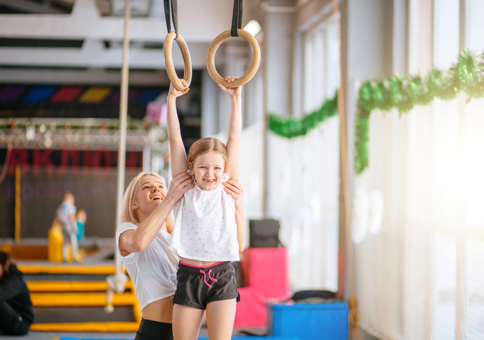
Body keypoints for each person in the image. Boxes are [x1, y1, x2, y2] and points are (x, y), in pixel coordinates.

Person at [116, 171, 245, 340]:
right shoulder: (127, 230)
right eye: (147, 187)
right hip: (155, 332)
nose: (156, 189)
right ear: (134, 203)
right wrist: (169, 199)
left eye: (161, 186)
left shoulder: (179, 239)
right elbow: (138, 243)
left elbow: (236, 245)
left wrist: (237, 205)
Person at [167, 77, 245, 340]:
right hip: (188, 275)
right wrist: (171, 99)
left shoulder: (226, 187)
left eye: (216, 168)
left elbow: (234, 139)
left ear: (224, 170)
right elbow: (175, 141)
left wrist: (236, 98)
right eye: (202, 167)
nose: (210, 174)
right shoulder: (186, 186)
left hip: (221, 274)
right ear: (191, 167)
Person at [0, 251, 34, 336]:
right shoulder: (3, 278)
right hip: (9, 319)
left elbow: (1, 295)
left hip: (21, 324)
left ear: (3, 265)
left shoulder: (15, 280)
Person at [53, 191, 79, 263]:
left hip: (62, 226)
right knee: (73, 240)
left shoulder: (60, 207)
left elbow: (56, 217)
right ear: (70, 199)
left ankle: (64, 257)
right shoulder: (70, 206)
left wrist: (53, 227)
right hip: (69, 225)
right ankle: (74, 256)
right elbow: (71, 216)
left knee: (65, 242)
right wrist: (74, 226)